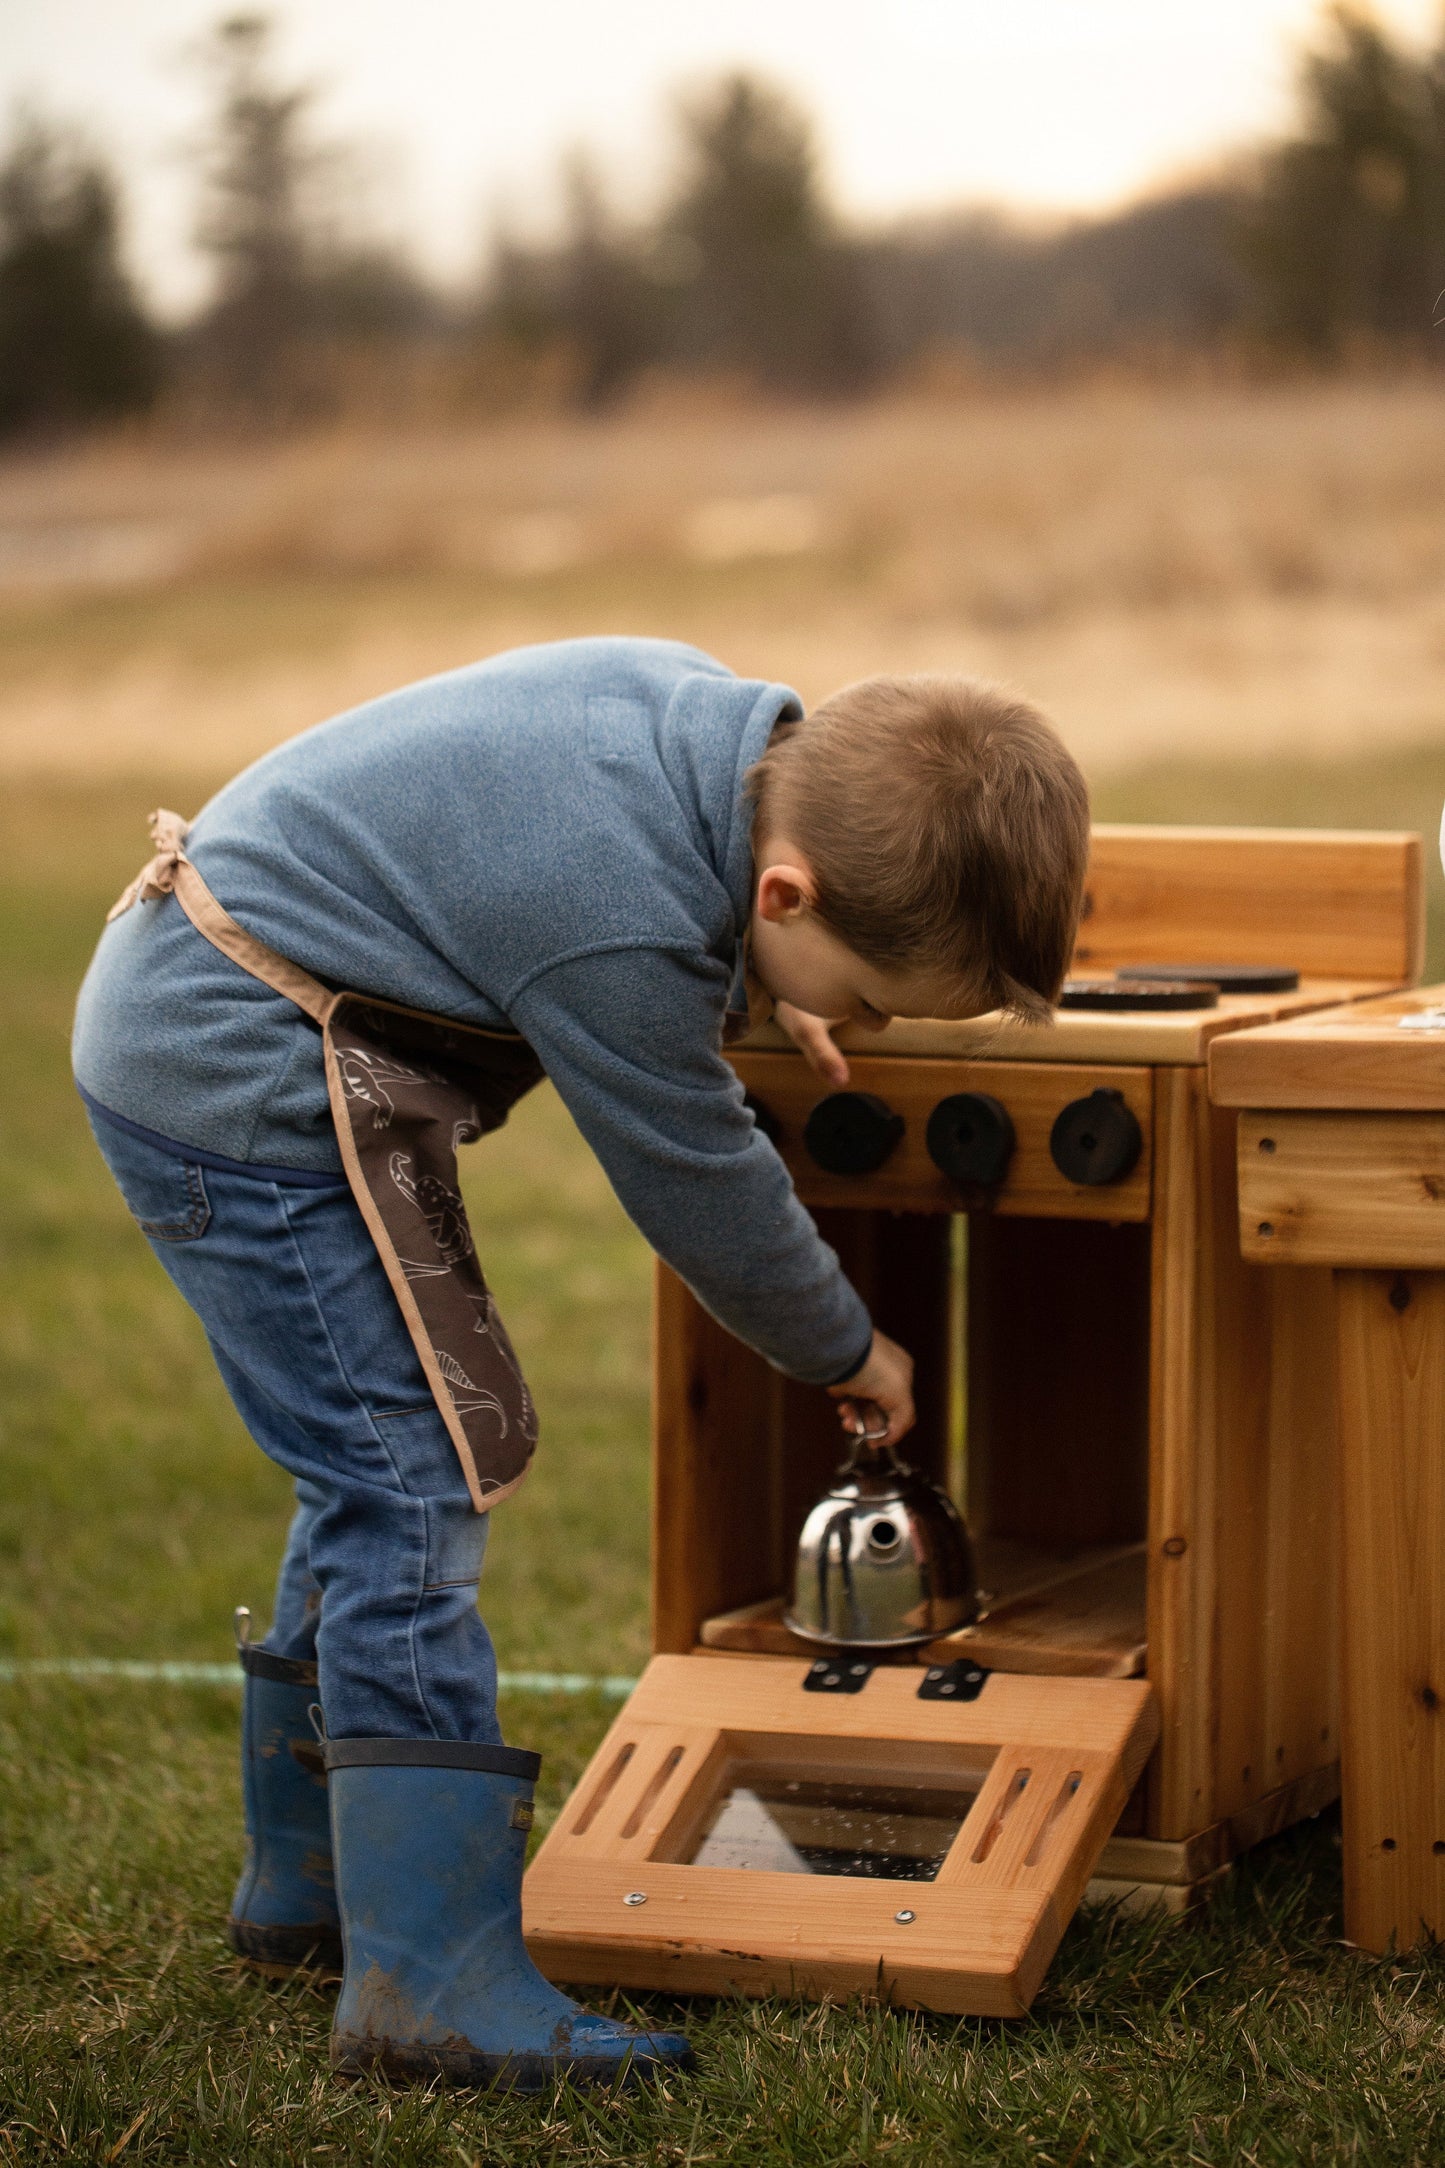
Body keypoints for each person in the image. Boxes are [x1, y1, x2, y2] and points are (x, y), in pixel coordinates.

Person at [72, 636, 1089, 2089]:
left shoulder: (707, 748)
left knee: (381, 1465)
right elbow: (694, 1177)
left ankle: (315, 1889)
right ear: (784, 892)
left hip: (244, 1031)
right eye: (858, 997)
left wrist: (773, 979)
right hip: (232, 1080)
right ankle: (428, 1984)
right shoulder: (616, 919)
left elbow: (652, 906)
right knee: (408, 1489)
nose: (842, 1029)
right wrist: (842, 1342)